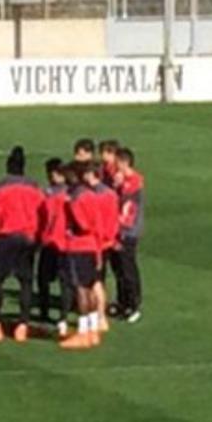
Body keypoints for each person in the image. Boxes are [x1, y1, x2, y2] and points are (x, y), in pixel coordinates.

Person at [0, 146, 43, 343]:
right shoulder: (34, 188)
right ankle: (22, 325)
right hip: (27, 237)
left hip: (6, 237)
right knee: (26, 282)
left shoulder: (0, 187)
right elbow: (41, 213)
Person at [59, 162, 104, 350]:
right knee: (91, 286)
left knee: (81, 289)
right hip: (93, 246)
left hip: (79, 247)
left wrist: (71, 212)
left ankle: (83, 332)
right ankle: (93, 331)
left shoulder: (76, 198)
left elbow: (83, 224)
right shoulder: (92, 194)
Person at [36, 157, 73, 336]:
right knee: (65, 282)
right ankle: (63, 319)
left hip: (51, 242)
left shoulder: (47, 194)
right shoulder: (71, 194)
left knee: (44, 279)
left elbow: (42, 219)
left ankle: (44, 314)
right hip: (66, 243)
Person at [110, 147, 145, 323]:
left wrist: (119, 186)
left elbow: (127, 208)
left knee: (128, 268)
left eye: (117, 164)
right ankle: (122, 301)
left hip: (128, 232)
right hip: (119, 231)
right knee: (118, 269)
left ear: (124, 163)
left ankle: (134, 304)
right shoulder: (125, 181)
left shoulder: (134, 182)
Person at [89, 163, 121, 334]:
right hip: (106, 241)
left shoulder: (96, 196)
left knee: (94, 281)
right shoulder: (111, 194)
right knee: (97, 280)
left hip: (97, 242)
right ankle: (98, 316)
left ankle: (99, 317)